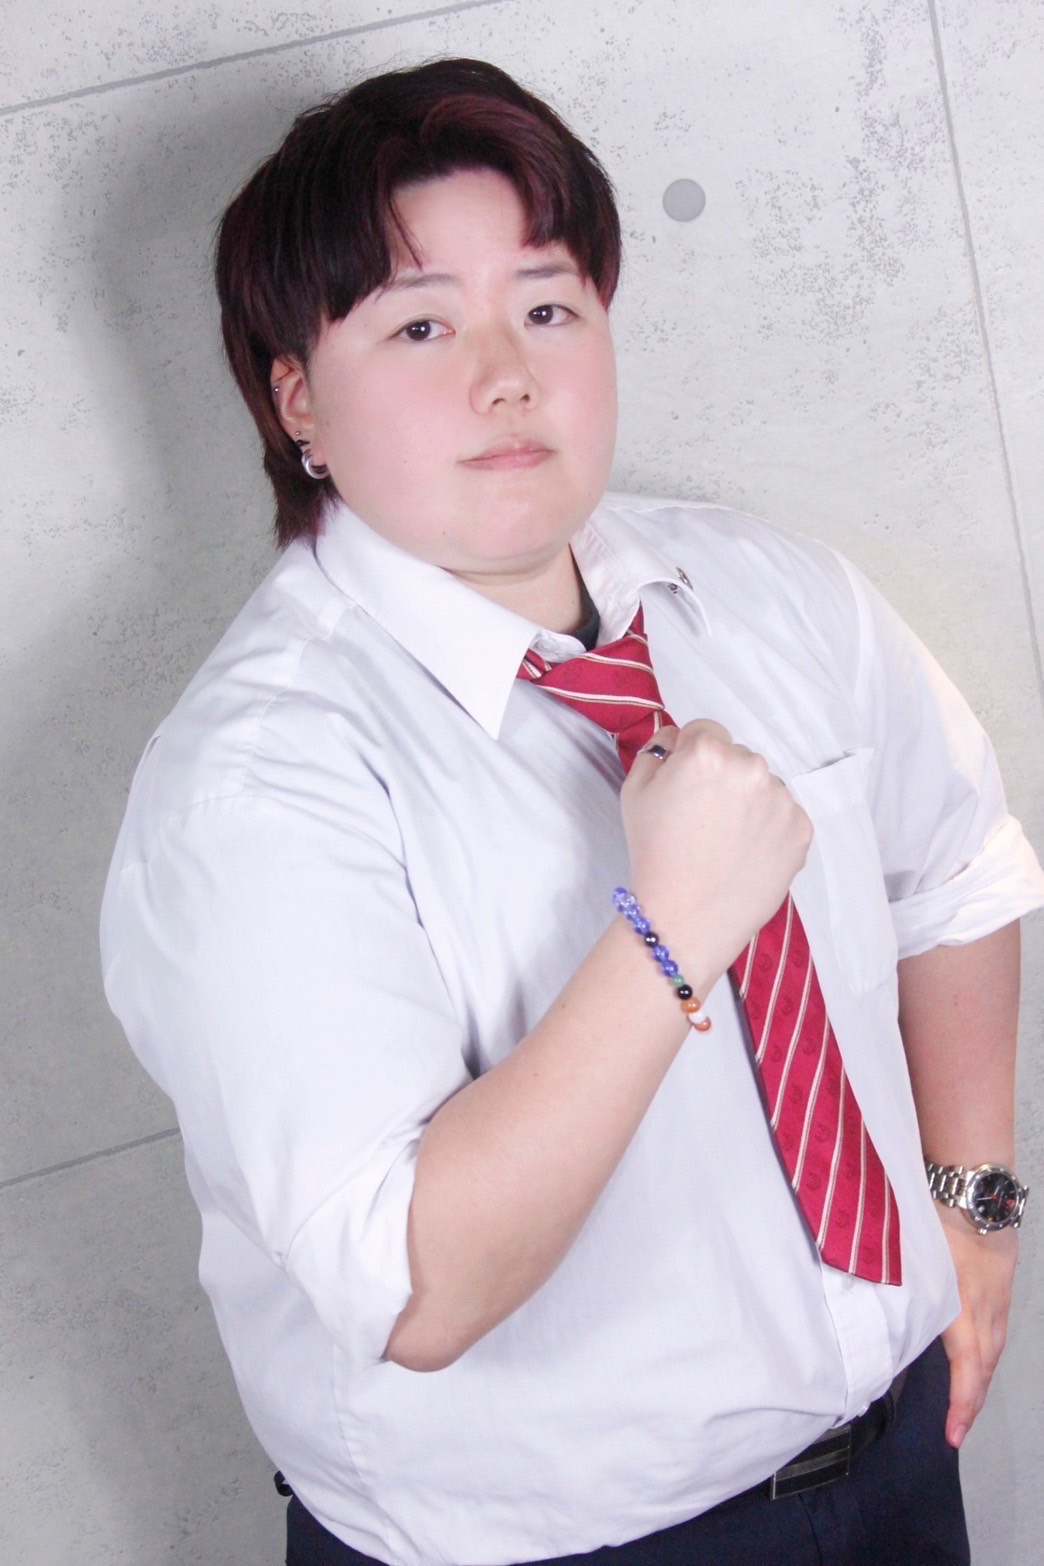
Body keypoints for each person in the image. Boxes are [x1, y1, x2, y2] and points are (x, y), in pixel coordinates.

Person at [100, 57, 1044, 1566]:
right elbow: (415, 1288)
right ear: (298, 399)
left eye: (548, 307)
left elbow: (959, 871)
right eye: (421, 325)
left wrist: (973, 1199)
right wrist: (670, 927)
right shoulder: (258, 780)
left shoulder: (766, 592)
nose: (507, 376)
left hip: (898, 1466)